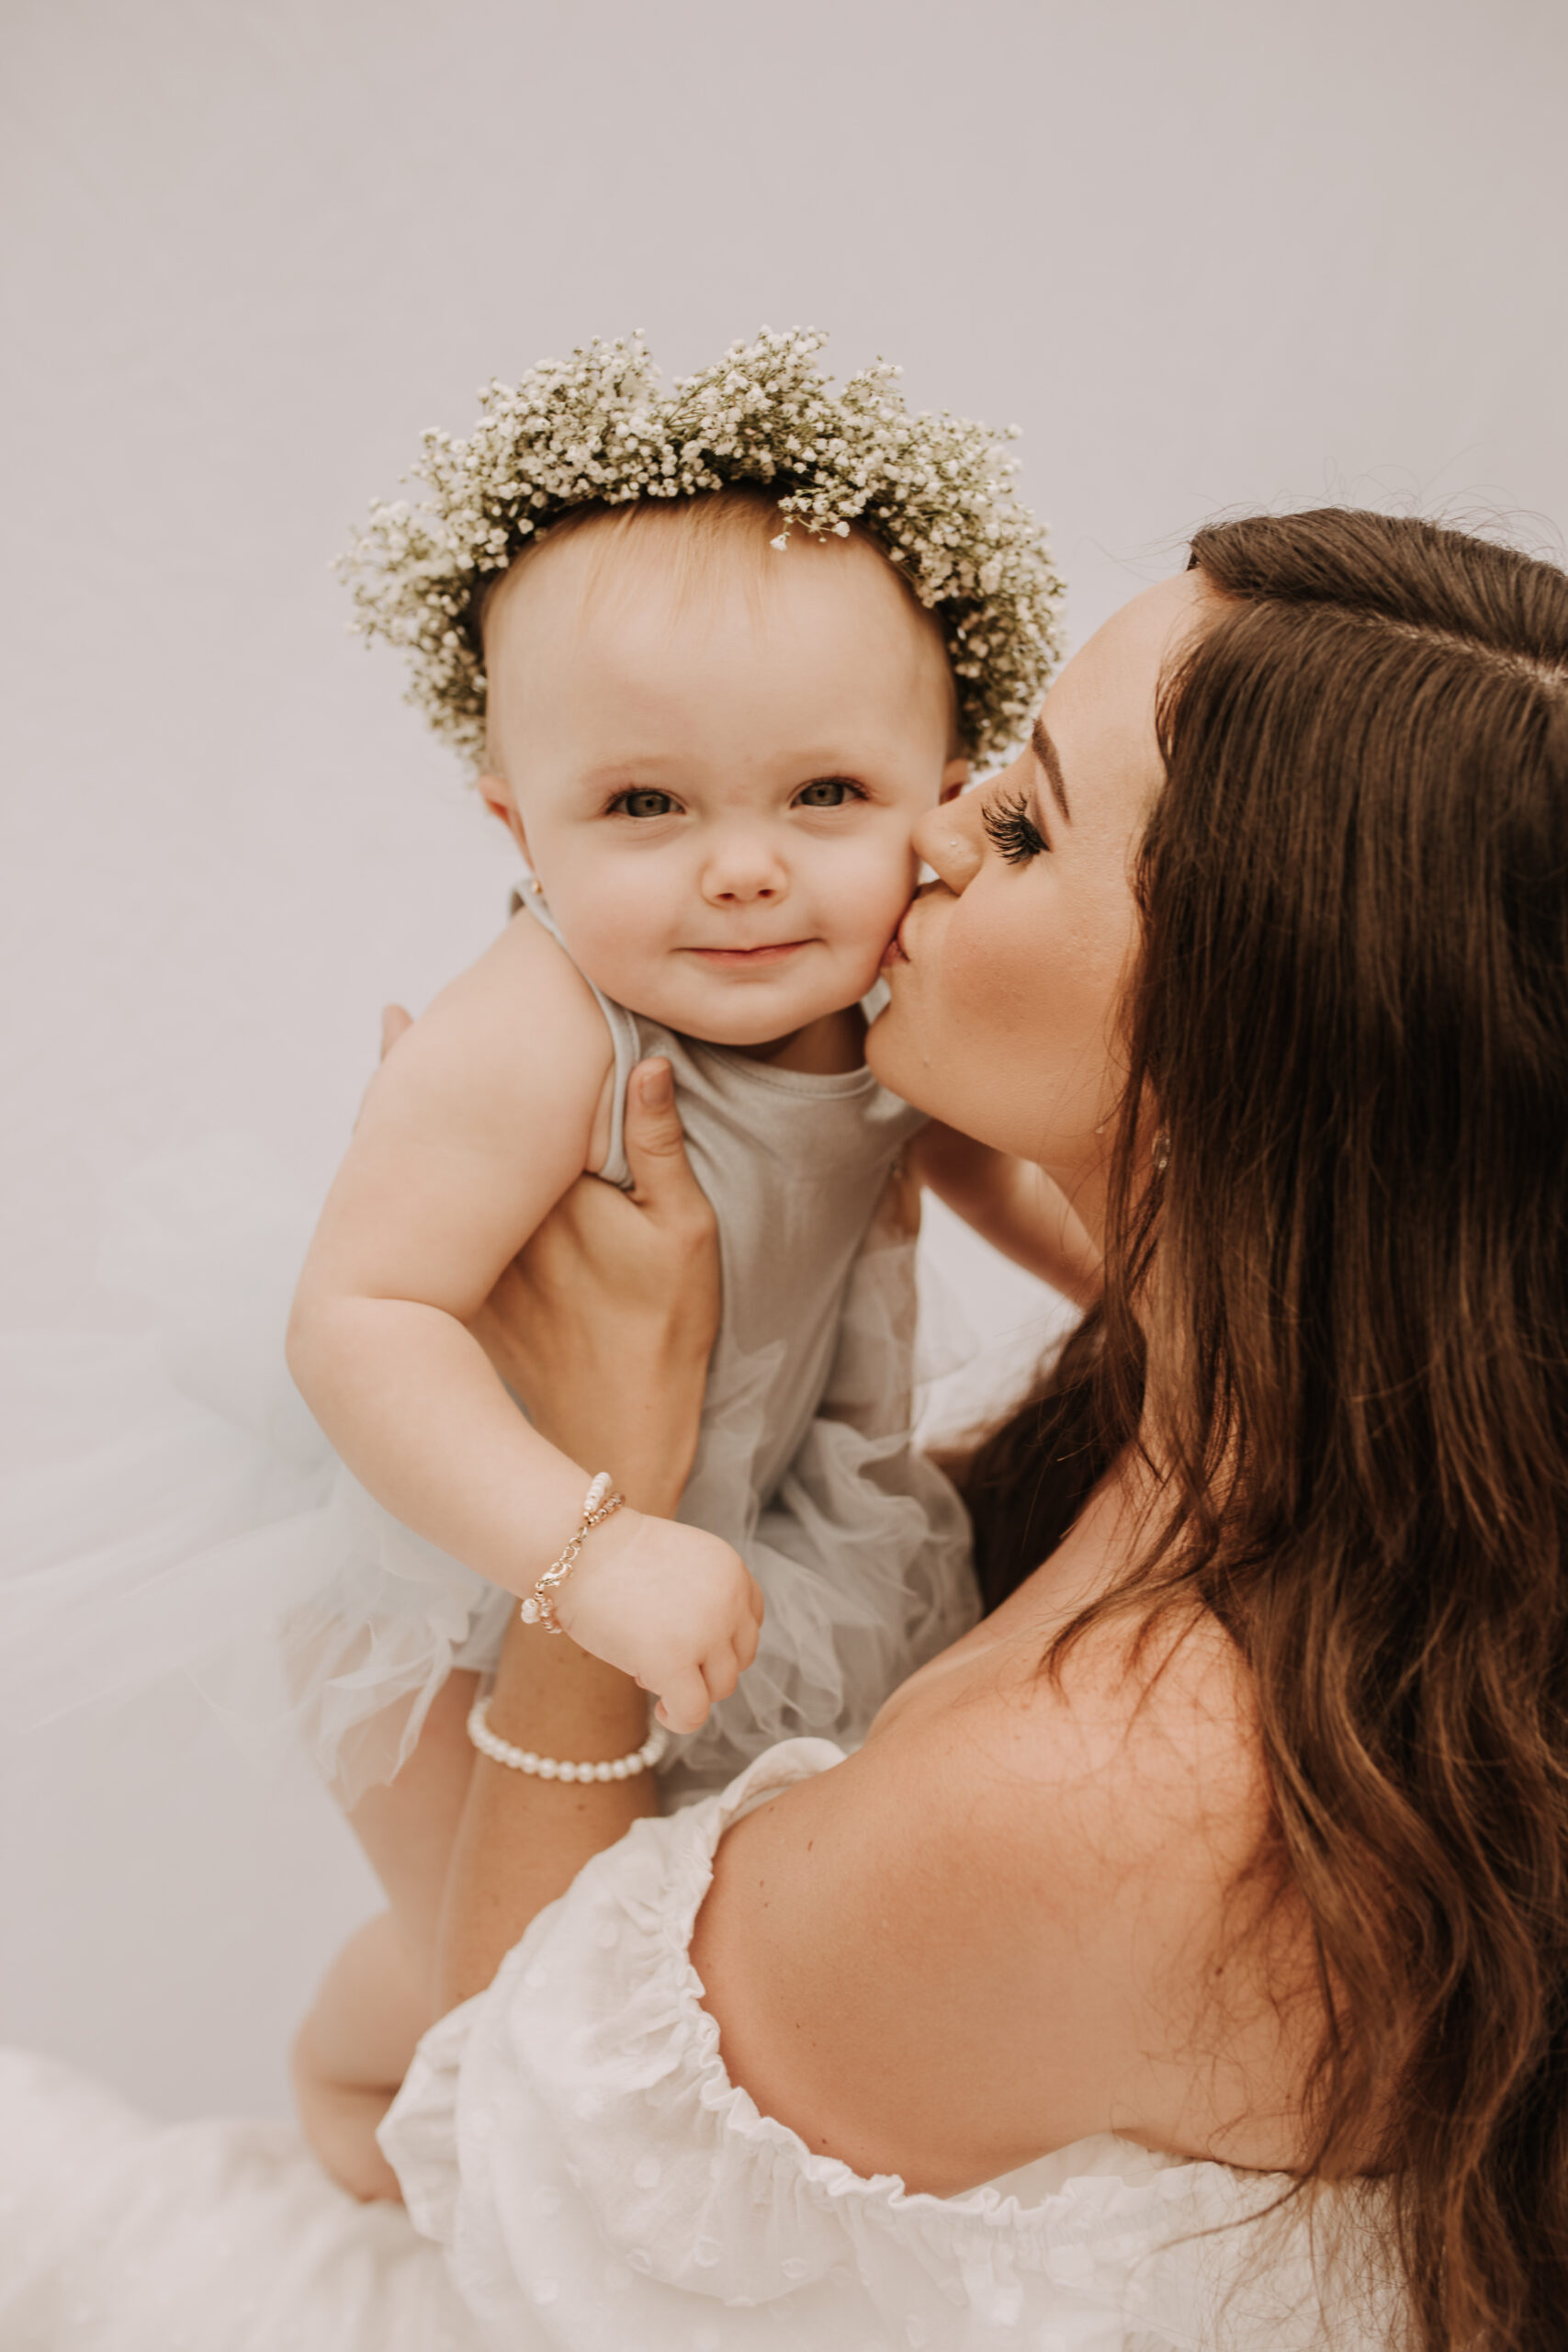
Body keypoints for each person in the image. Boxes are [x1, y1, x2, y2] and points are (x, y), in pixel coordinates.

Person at [4, 506, 1565, 2352]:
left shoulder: (1099, 1790)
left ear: (1250, 1033)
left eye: (1024, 820)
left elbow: (518, 2170)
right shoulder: (1323, 1452)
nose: (926, 830)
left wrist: (606, 1472)